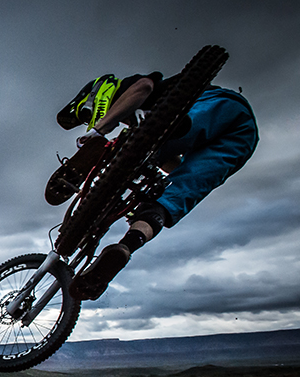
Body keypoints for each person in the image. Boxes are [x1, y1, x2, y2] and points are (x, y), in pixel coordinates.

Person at [47, 60, 259, 301]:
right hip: (243, 140)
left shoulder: (122, 89)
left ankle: (163, 130)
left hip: (221, 106)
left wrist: (99, 130)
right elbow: (174, 165)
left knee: (175, 128)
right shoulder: (147, 125)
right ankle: (126, 246)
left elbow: (144, 87)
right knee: (172, 197)